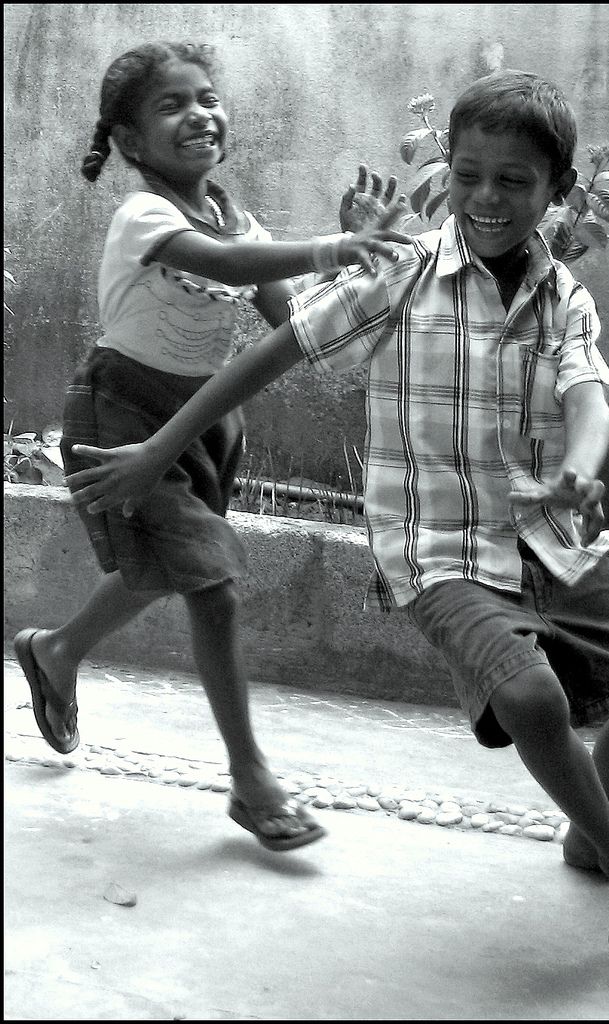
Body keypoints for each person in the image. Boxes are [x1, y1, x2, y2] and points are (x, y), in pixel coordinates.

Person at [64, 69, 609, 951]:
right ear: (448, 170)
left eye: (513, 180)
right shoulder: (404, 275)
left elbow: (587, 392)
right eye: (467, 173)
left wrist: (583, 470)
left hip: (547, 538)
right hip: (434, 548)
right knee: (531, 696)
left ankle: (590, 836)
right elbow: (274, 352)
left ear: (559, 193)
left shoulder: (563, 296)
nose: (484, 196)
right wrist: (161, 447)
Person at [12, 40, 409, 854]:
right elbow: (221, 263)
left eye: (207, 96)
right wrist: (329, 248)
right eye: (171, 105)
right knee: (214, 583)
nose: (199, 113)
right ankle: (251, 782)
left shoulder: (242, 222)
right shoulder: (145, 216)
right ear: (129, 142)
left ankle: (54, 652)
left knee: (161, 570)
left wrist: (355, 264)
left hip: (200, 420)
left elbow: (299, 331)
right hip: (122, 412)